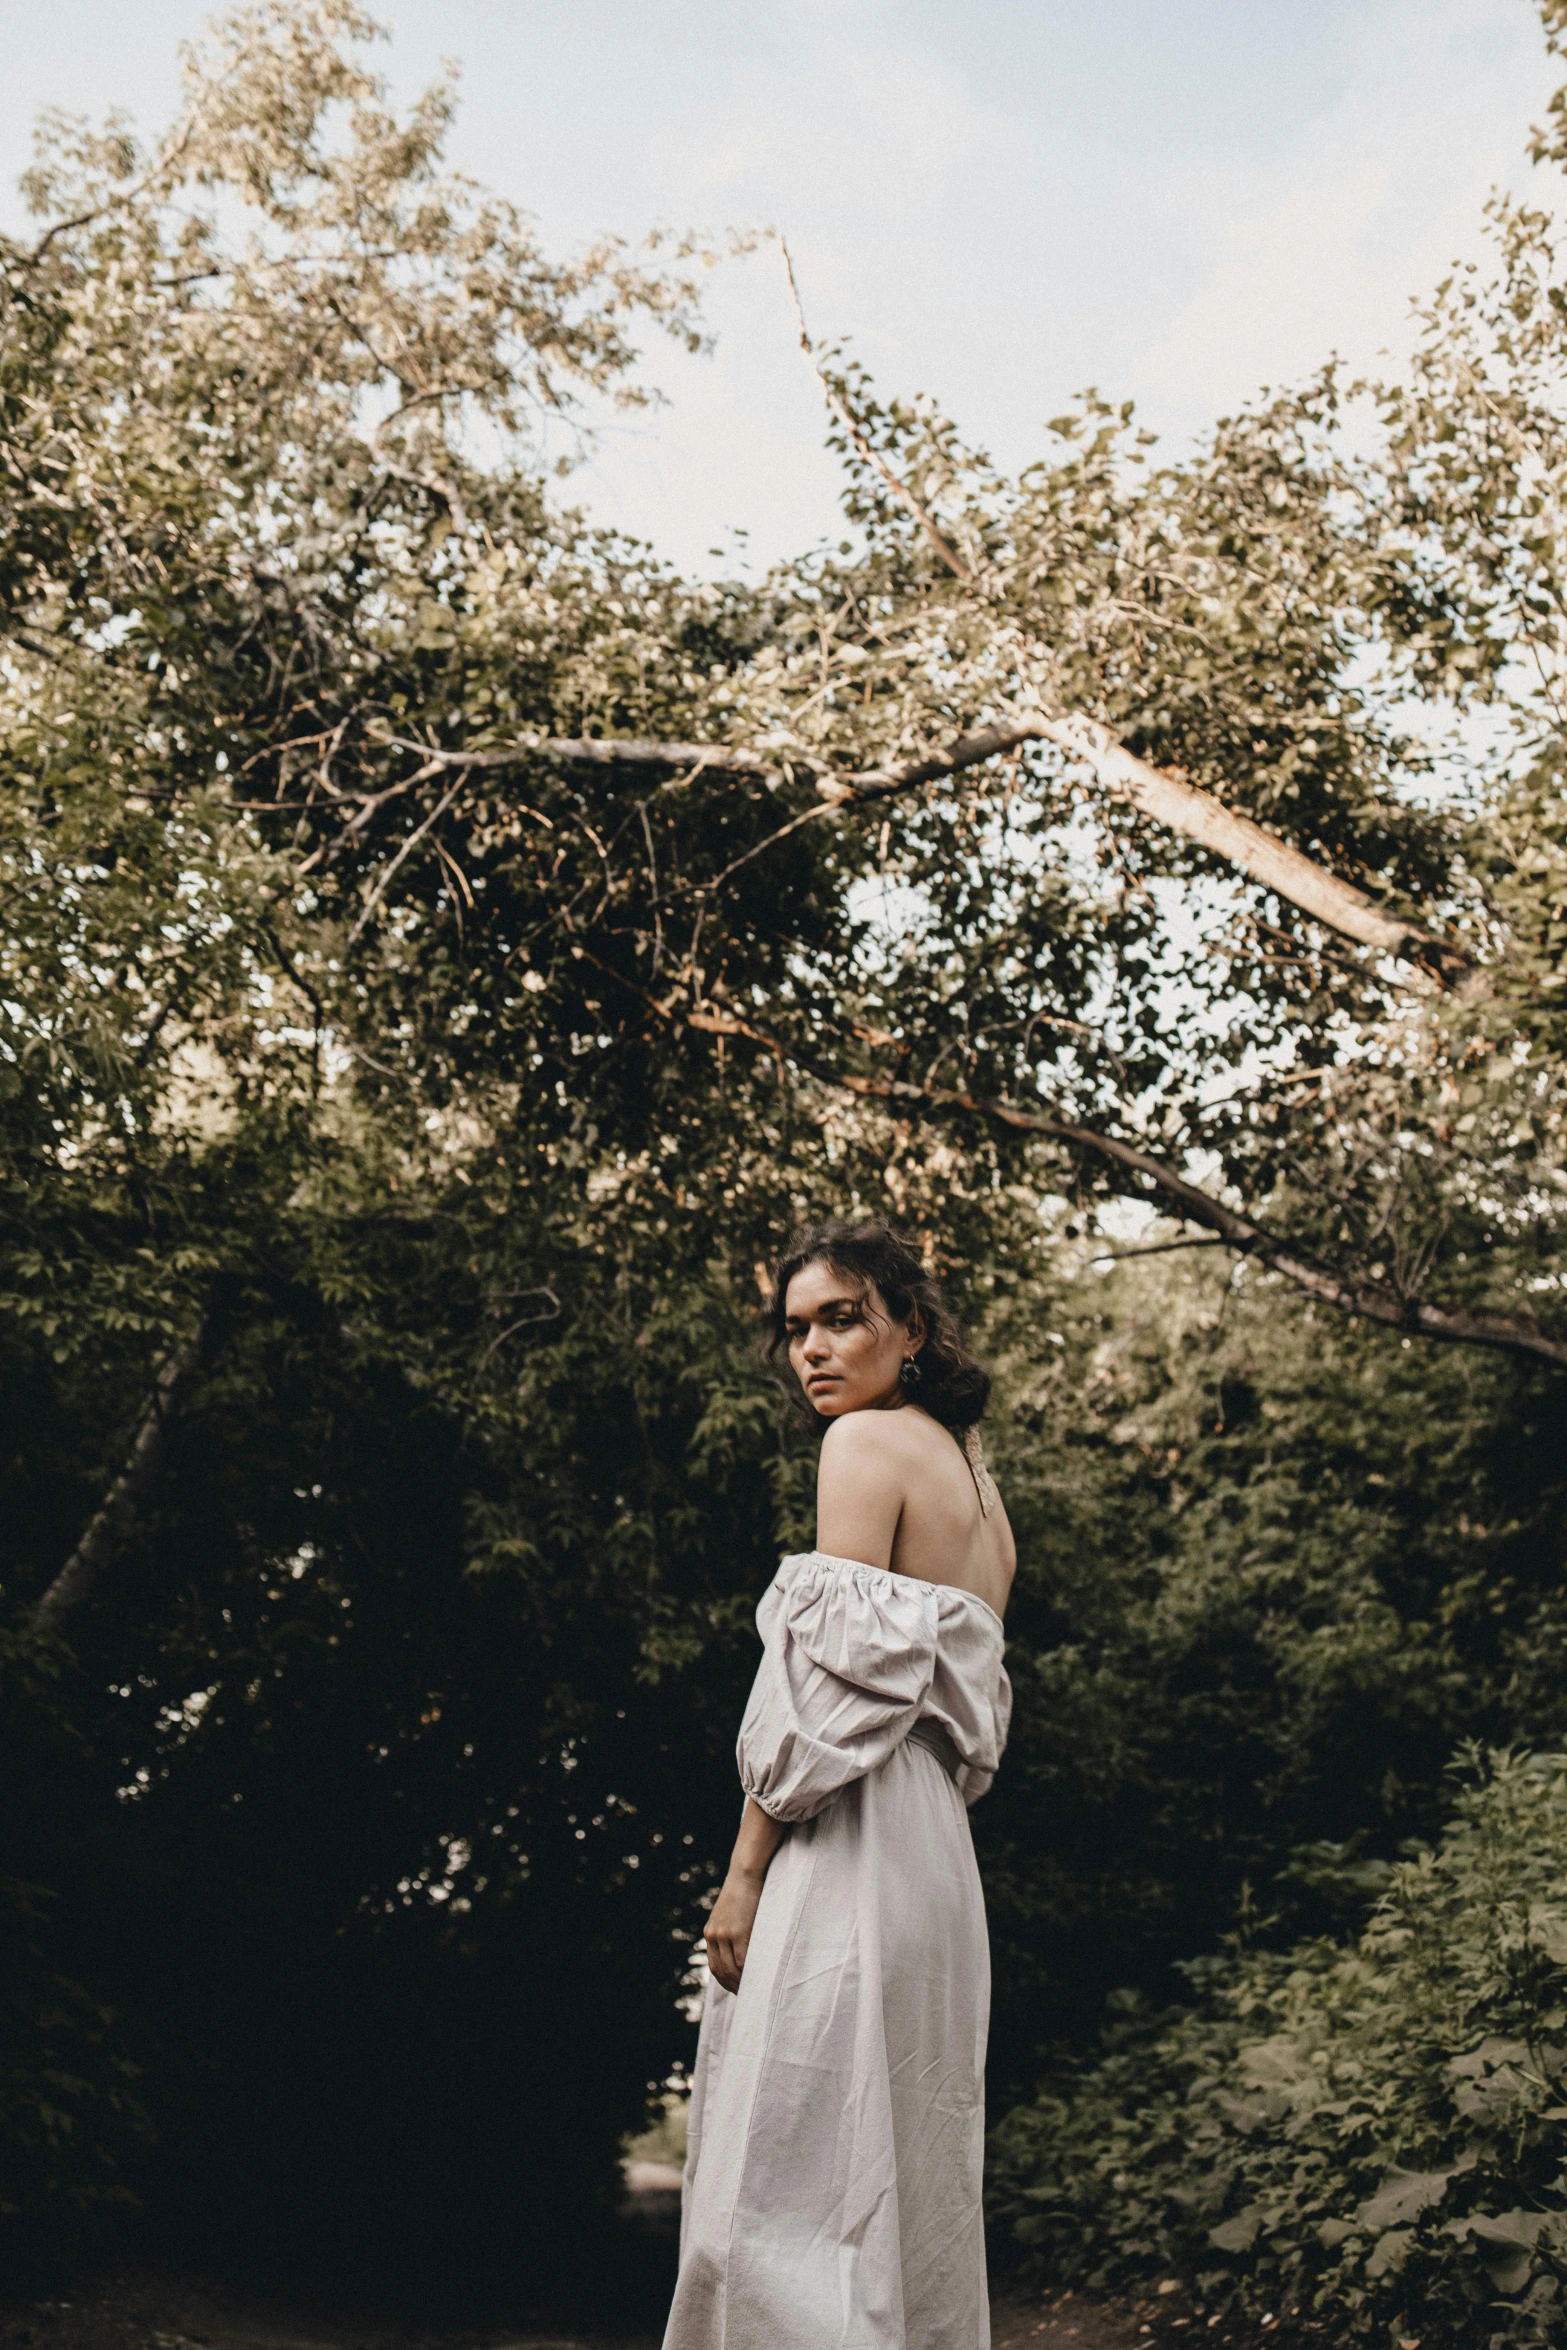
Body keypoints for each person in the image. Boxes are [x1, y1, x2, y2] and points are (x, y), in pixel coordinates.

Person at [662, 1220, 1015, 2350]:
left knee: (782, 2185)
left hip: (853, 1830)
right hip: (934, 1857)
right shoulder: (976, 1482)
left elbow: (823, 1694)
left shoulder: (863, 1446)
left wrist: (742, 1872)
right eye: (795, 1327)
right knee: (898, 2174)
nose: (811, 1348)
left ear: (910, 1327)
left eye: (842, 1317)